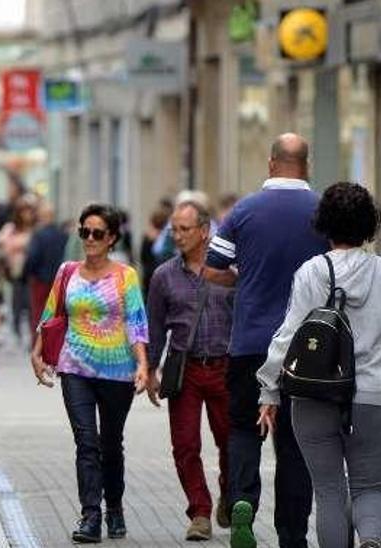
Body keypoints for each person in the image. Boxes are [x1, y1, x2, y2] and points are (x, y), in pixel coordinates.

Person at [256, 183, 381, 548]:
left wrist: (269, 389)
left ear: (324, 223)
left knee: (329, 491)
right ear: (370, 224)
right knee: (369, 487)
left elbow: (288, 334)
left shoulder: (311, 271)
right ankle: (370, 540)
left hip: (314, 394)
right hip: (373, 395)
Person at [203, 133, 324, 548]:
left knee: (242, 430)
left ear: (271, 164)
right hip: (309, 349)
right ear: (305, 165)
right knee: (297, 441)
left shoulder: (245, 210)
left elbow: (212, 268)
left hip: (250, 343)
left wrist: (247, 279)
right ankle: (292, 534)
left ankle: (241, 504)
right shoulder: (321, 211)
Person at [30, 203, 155, 544]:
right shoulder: (67, 271)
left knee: (110, 445)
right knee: (86, 443)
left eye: (97, 233)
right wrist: (38, 350)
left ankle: (114, 506)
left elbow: (136, 322)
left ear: (112, 238)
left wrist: (143, 364)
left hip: (117, 372)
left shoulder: (125, 275)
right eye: (84, 231)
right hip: (75, 368)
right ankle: (91, 516)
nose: (89, 238)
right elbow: (51, 311)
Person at [145, 200, 234, 541]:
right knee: (184, 444)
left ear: (204, 231)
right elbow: (155, 328)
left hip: (225, 368)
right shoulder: (164, 276)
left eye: (185, 229)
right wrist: (150, 369)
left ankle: (229, 490)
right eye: (174, 230)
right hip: (186, 368)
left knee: (230, 442)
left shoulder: (231, 272)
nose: (178, 236)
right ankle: (199, 511)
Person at [24, 204, 69, 332]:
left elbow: (33, 257)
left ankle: (38, 343)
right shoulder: (62, 235)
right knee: (56, 313)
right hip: (58, 279)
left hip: (39, 280)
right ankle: (53, 342)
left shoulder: (38, 235)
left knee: (38, 313)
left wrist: (27, 273)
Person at [0, 197, 37, 347]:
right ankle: (17, 333)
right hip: (15, 272)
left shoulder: (35, 228)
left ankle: (30, 335)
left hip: (32, 272)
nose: (26, 215)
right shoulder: (11, 228)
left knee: (30, 304)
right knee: (16, 303)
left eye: (29, 211)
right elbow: (3, 244)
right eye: (23, 212)